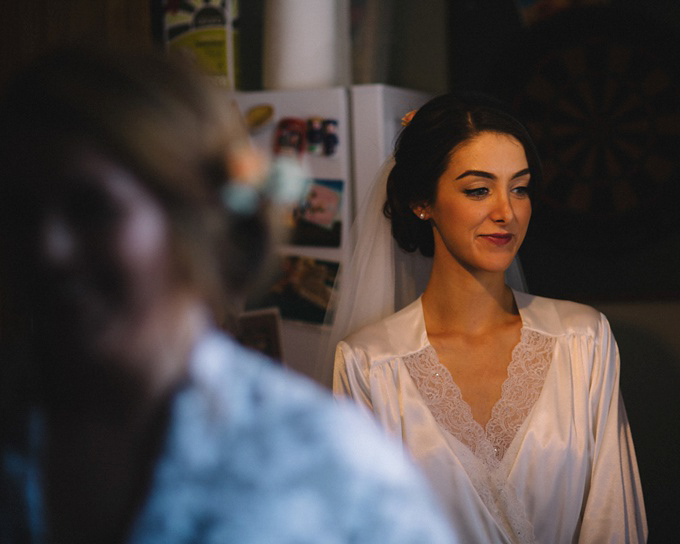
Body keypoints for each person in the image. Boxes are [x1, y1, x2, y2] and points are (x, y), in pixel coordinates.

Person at [0, 46, 455, 544]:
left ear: (192, 217)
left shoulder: (326, 462)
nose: (47, 249)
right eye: (18, 210)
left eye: (93, 209)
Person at [328, 92, 648, 543]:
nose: (507, 212)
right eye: (479, 189)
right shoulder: (371, 364)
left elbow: (614, 521)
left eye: (519, 187)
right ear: (423, 201)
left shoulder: (582, 341)